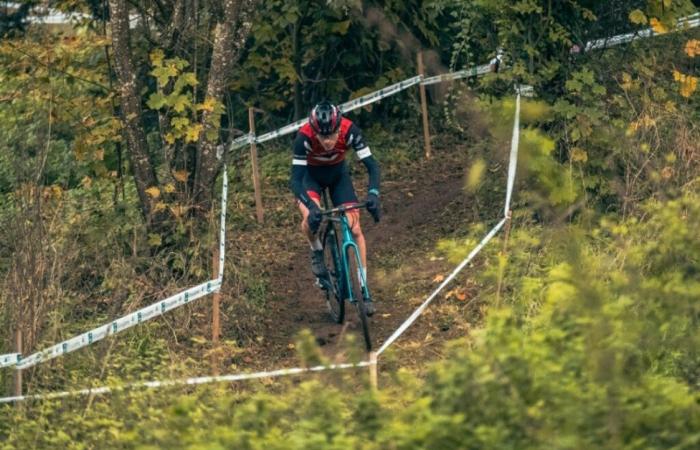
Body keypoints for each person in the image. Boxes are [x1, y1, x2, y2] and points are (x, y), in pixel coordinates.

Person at [289, 101, 381, 315]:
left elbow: (372, 166)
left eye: (332, 135)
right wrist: (311, 207)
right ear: (314, 132)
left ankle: (364, 290)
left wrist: (374, 194)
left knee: (356, 229)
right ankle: (317, 252)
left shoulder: (350, 130)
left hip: (339, 177)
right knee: (310, 218)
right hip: (310, 179)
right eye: (323, 137)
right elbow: (295, 181)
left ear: (339, 127)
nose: (329, 141)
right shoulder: (304, 138)